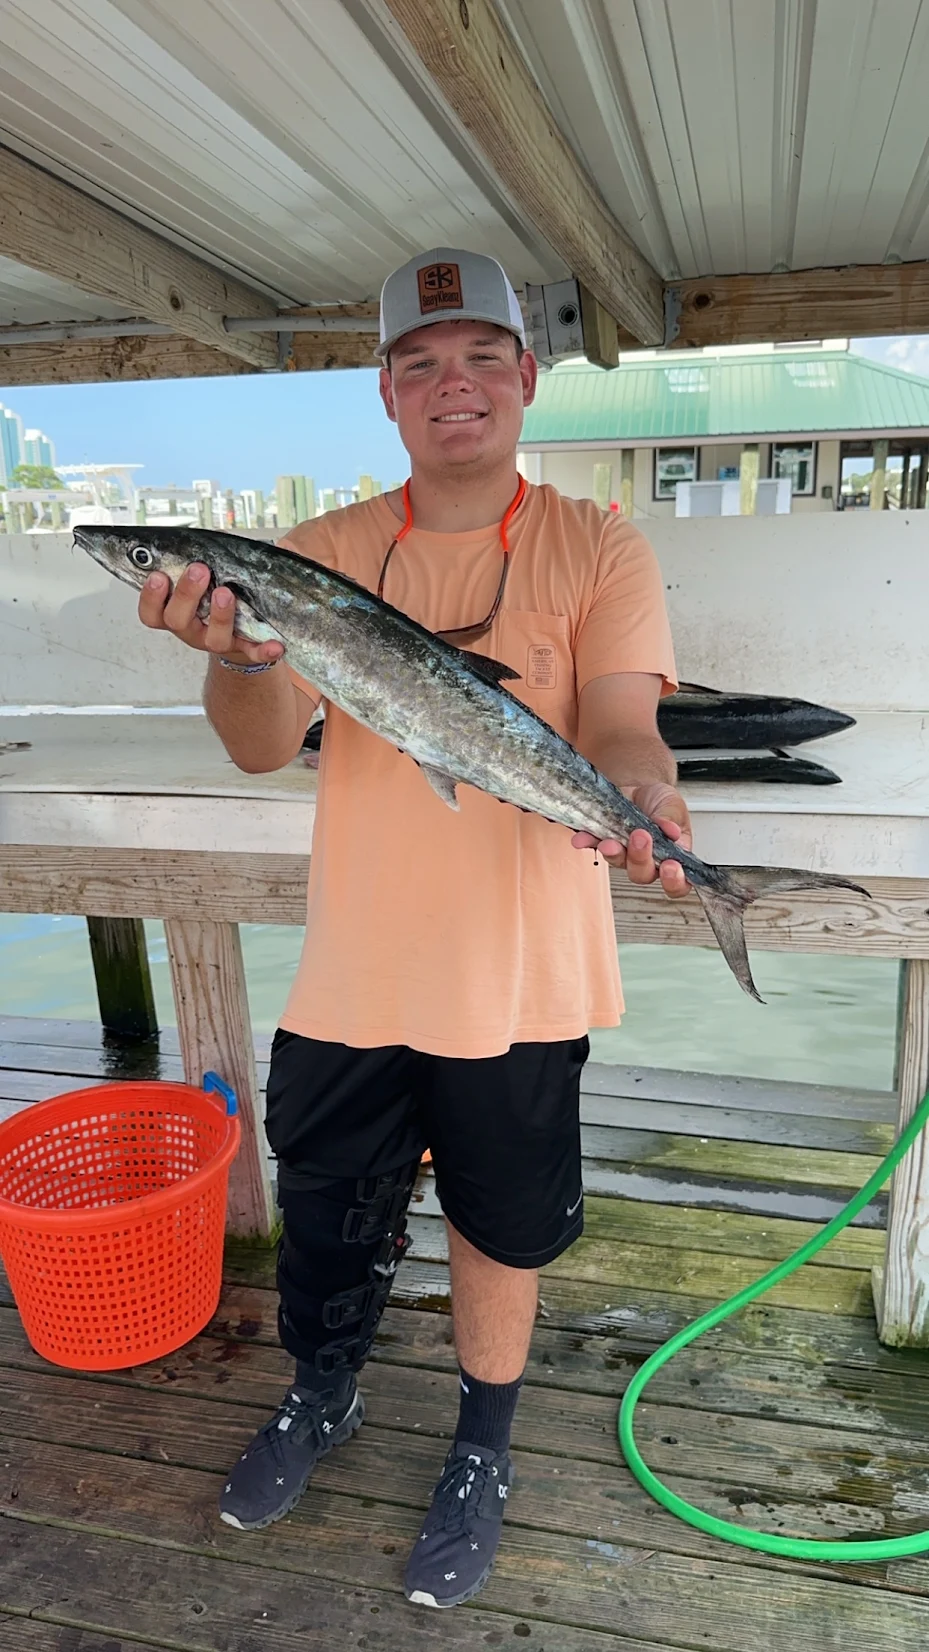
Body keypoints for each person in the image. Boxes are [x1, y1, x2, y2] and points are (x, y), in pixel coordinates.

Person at [137, 247, 690, 1611]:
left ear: (526, 376)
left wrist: (643, 794)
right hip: (355, 970)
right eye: (423, 365)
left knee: (500, 1233)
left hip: (523, 972)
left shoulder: (597, 543)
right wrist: (236, 654)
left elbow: (624, 721)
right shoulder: (316, 555)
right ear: (388, 393)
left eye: (481, 357)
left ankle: (483, 1445)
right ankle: (325, 1395)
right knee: (329, 1213)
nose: (457, 386)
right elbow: (264, 749)